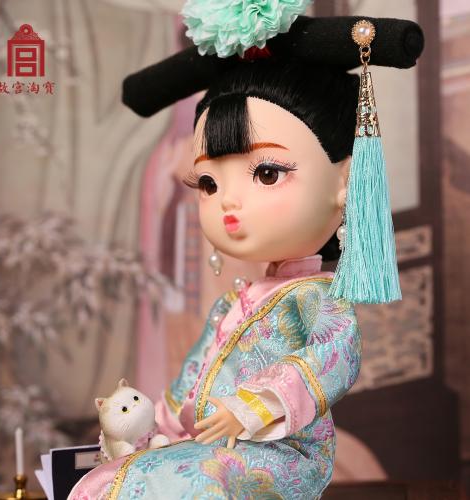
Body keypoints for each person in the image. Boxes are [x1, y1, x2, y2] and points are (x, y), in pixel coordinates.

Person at [69, 9, 423, 500]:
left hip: (281, 450)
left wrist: (253, 407)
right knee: (120, 474)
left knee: (188, 481)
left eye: (267, 173)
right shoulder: (231, 305)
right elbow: (192, 381)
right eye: (209, 183)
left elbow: (333, 357)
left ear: (345, 181)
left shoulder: (317, 299)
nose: (228, 203)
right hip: (221, 444)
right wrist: (151, 427)